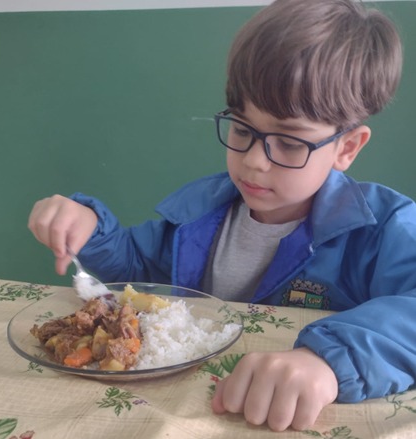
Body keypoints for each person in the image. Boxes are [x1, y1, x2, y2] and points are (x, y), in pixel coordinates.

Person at [28, 0, 416, 432]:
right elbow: (138, 270)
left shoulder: (383, 228)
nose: (253, 161)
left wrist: (328, 361)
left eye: (290, 143)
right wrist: (92, 230)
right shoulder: (200, 214)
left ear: (347, 148)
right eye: (243, 129)